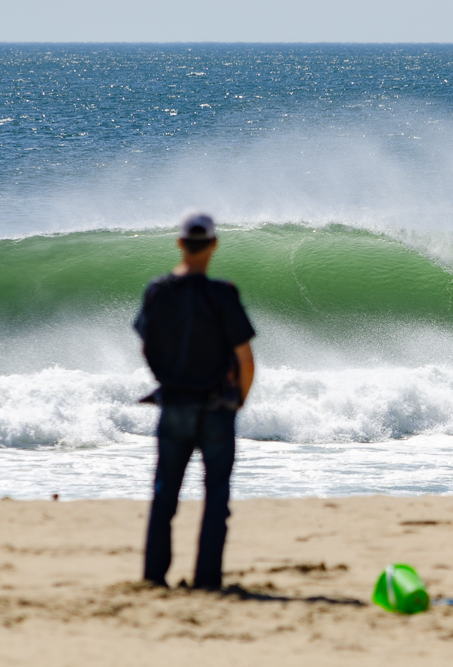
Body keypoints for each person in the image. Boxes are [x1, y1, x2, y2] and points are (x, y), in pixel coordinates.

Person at [134, 212, 256, 590]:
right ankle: (207, 581)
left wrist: (167, 379)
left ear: (181, 243)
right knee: (216, 497)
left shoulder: (158, 291)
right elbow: (245, 359)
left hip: (173, 405)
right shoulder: (222, 294)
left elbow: (147, 344)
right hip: (217, 407)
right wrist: (239, 400)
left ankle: (154, 577)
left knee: (164, 494)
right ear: (214, 245)